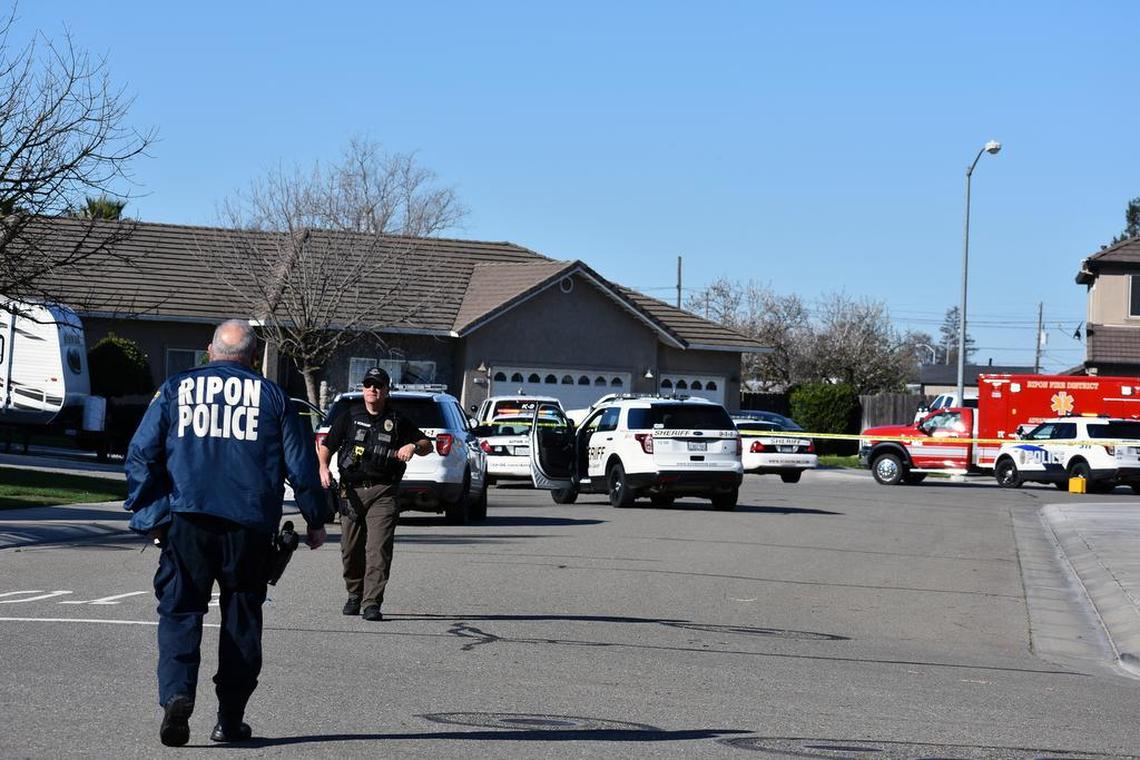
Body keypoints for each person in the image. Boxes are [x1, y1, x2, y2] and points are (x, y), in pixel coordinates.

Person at [124, 320, 327, 747]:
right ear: (254, 358)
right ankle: (229, 720)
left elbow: (141, 454)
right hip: (248, 527)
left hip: (187, 522)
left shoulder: (176, 389)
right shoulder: (274, 397)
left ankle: (177, 696)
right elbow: (302, 465)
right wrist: (315, 518)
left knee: (180, 612)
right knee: (241, 618)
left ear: (208, 351)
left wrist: (153, 516)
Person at [318, 367, 431, 622]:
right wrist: (323, 467)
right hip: (351, 492)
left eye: (378, 385)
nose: (372, 389)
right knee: (350, 549)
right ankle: (354, 595)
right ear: (363, 389)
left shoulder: (397, 419)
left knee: (378, 549)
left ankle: (372, 602)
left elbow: (427, 444)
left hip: (384, 491)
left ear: (386, 390)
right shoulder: (349, 417)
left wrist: (412, 446)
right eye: (368, 384)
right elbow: (326, 446)